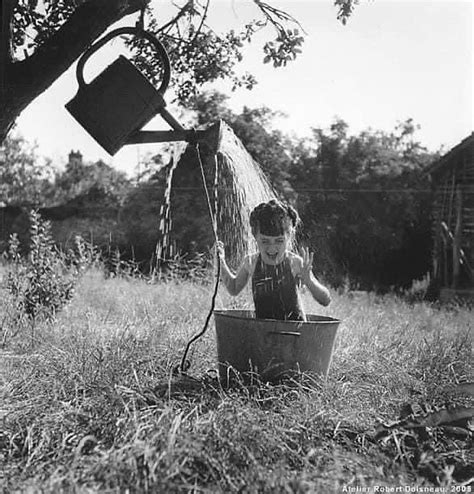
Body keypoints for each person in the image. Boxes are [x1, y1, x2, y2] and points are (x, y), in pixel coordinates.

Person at [216, 199, 331, 321]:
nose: (272, 248)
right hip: (264, 330)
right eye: (265, 241)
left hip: (294, 331)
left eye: (279, 241)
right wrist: (221, 262)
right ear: (255, 236)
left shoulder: (295, 263)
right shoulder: (252, 262)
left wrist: (309, 281)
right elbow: (233, 288)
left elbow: (326, 300)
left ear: (289, 237)